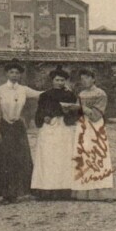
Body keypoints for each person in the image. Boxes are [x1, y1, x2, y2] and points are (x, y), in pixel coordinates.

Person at [0, 59, 42, 204]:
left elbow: (41, 94)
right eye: (11, 72)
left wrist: (58, 91)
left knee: (21, 158)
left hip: (18, 128)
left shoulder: (23, 90)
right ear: (7, 73)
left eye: (17, 73)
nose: (14, 75)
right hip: (4, 127)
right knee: (4, 160)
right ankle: (6, 194)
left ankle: (20, 191)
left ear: (20, 75)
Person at [31, 66, 79, 200]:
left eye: (62, 80)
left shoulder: (70, 95)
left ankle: (65, 189)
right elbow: (39, 111)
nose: (60, 83)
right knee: (48, 157)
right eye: (57, 80)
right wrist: (44, 116)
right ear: (52, 81)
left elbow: (76, 111)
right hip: (49, 128)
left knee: (64, 156)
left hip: (64, 127)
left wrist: (69, 112)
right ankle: (46, 190)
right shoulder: (45, 95)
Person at [71, 69, 116, 202]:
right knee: (83, 155)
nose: (83, 81)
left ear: (93, 79)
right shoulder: (81, 93)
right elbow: (79, 113)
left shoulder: (100, 93)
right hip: (83, 126)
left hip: (95, 127)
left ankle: (103, 192)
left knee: (97, 155)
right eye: (82, 78)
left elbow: (96, 115)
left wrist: (81, 108)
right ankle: (84, 192)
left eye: (86, 78)